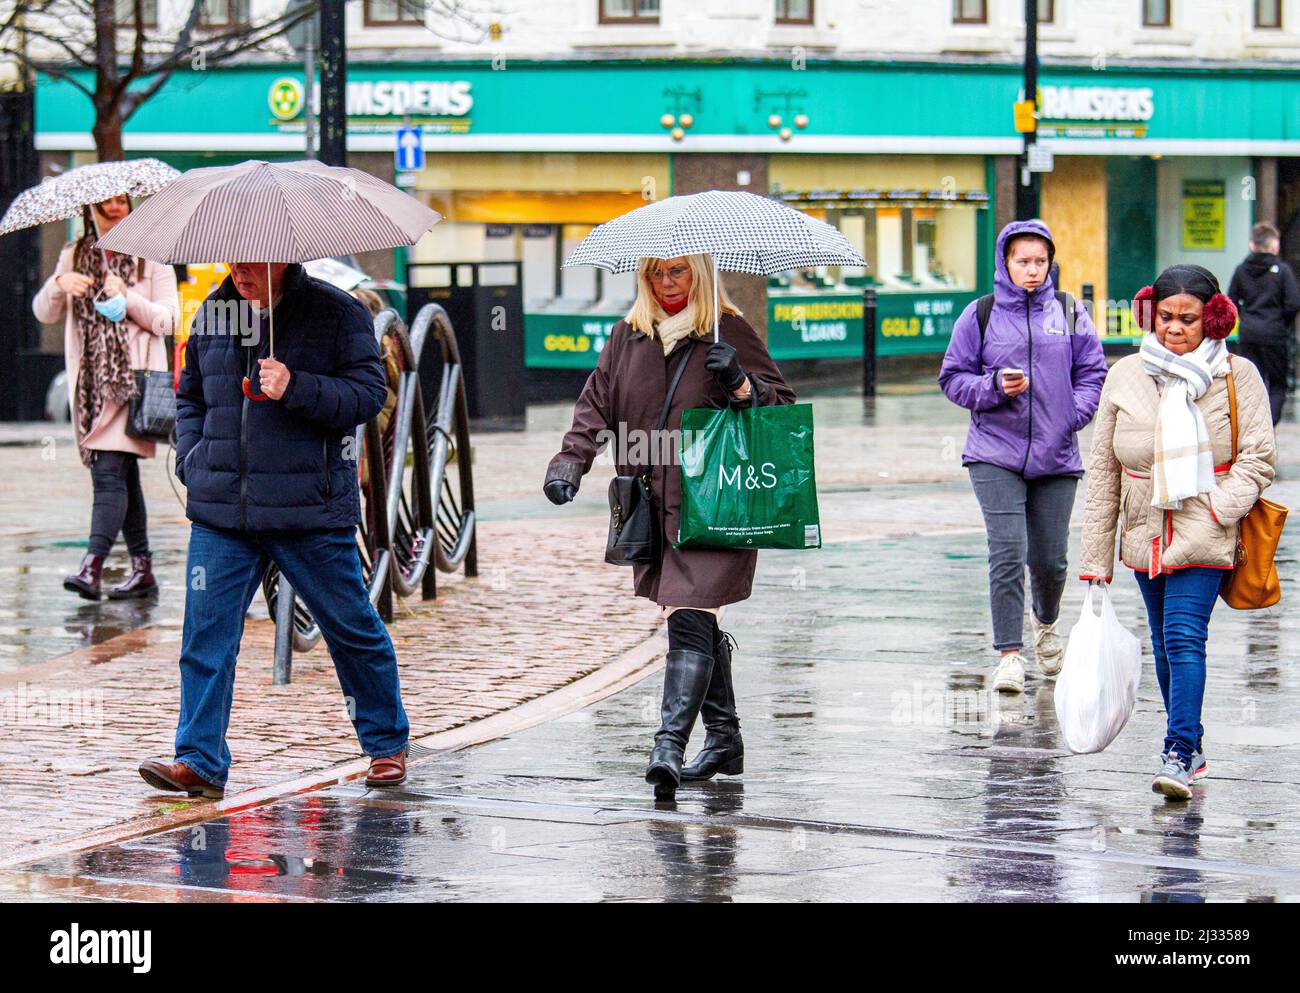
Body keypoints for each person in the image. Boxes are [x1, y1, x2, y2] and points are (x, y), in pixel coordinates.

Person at [138, 261, 410, 799]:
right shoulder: (215, 313)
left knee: (350, 626)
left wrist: (296, 385)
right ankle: (198, 760)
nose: (239, 270)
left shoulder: (337, 313)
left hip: (306, 508)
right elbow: (190, 396)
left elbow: (366, 396)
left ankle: (386, 744)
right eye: (232, 258)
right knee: (204, 636)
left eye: (251, 260)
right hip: (222, 511)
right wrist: (191, 456)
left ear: (283, 256)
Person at [543, 254, 795, 800]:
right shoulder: (627, 337)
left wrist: (742, 384)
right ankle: (724, 739)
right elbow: (595, 407)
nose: (665, 283)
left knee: (689, 611)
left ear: (699, 275)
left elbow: (781, 408)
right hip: (653, 505)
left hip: (718, 503)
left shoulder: (728, 331)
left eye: (677, 272)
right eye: (655, 273)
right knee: (693, 616)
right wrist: (570, 463)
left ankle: (668, 746)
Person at [1078, 264, 1275, 800]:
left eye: (1188, 319)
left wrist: (1220, 509)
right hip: (1144, 532)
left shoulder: (1240, 377)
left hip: (1205, 529)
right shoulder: (1125, 376)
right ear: (1151, 314)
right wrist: (1095, 557)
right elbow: (1104, 471)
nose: (1175, 328)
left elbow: (1258, 458)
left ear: (1213, 320)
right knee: (1164, 645)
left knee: (1187, 636)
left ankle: (1178, 752)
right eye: (1166, 317)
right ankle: (1193, 739)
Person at [939, 220, 1108, 694]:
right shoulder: (981, 314)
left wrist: (1071, 415)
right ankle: (1009, 655)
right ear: (1005, 263)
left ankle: (1046, 623)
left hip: (1057, 455)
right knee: (1008, 551)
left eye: (1040, 261)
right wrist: (992, 387)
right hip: (994, 453)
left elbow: (1093, 372)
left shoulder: (1071, 312)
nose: (1032, 270)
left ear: (1050, 262)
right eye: (1023, 261)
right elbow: (952, 378)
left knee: (1051, 560)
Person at [32, 196, 178, 600]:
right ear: (89, 211)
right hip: (90, 389)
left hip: (131, 385)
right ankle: (143, 568)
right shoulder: (73, 255)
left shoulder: (151, 257)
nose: (114, 208)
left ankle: (91, 566)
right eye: (105, 203)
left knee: (109, 472)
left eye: (121, 201)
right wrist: (59, 284)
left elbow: (169, 319)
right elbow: (44, 314)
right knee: (123, 476)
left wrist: (127, 297)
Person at [1228, 222, 1300, 426]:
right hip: (1275, 334)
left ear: (1252, 245)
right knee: (1277, 384)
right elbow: (1293, 303)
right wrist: (1278, 321)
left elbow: (1231, 301)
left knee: (1251, 383)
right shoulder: (1283, 271)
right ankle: (1268, 426)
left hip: (1249, 333)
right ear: (1275, 246)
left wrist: (1247, 318)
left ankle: (1252, 427)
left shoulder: (1241, 270)